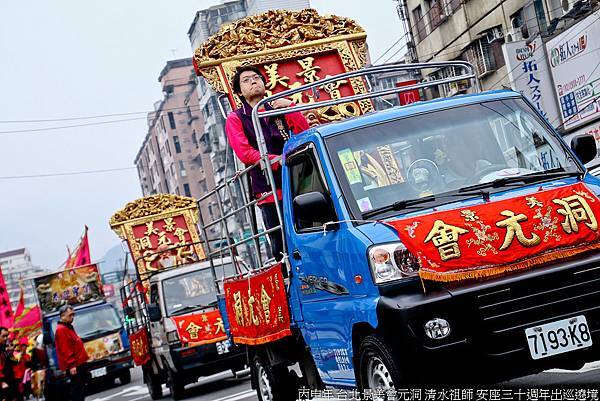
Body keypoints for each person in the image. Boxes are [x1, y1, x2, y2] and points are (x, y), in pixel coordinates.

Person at [225, 65, 309, 262]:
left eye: (256, 77)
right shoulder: (236, 118)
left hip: (299, 182)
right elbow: (245, 153)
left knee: (311, 232)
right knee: (280, 243)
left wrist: (289, 107)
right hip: (270, 191)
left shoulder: (277, 107)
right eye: (246, 80)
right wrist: (275, 161)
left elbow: (303, 131)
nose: (253, 81)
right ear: (239, 91)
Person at [54, 305, 89, 401]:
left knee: (80, 388)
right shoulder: (61, 329)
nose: (72, 317)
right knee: (77, 389)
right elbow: (66, 349)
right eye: (70, 315)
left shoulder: (68, 327)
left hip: (79, 362)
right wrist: (72, 365)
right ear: (62, 316)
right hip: (75, 364)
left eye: (73, 315)